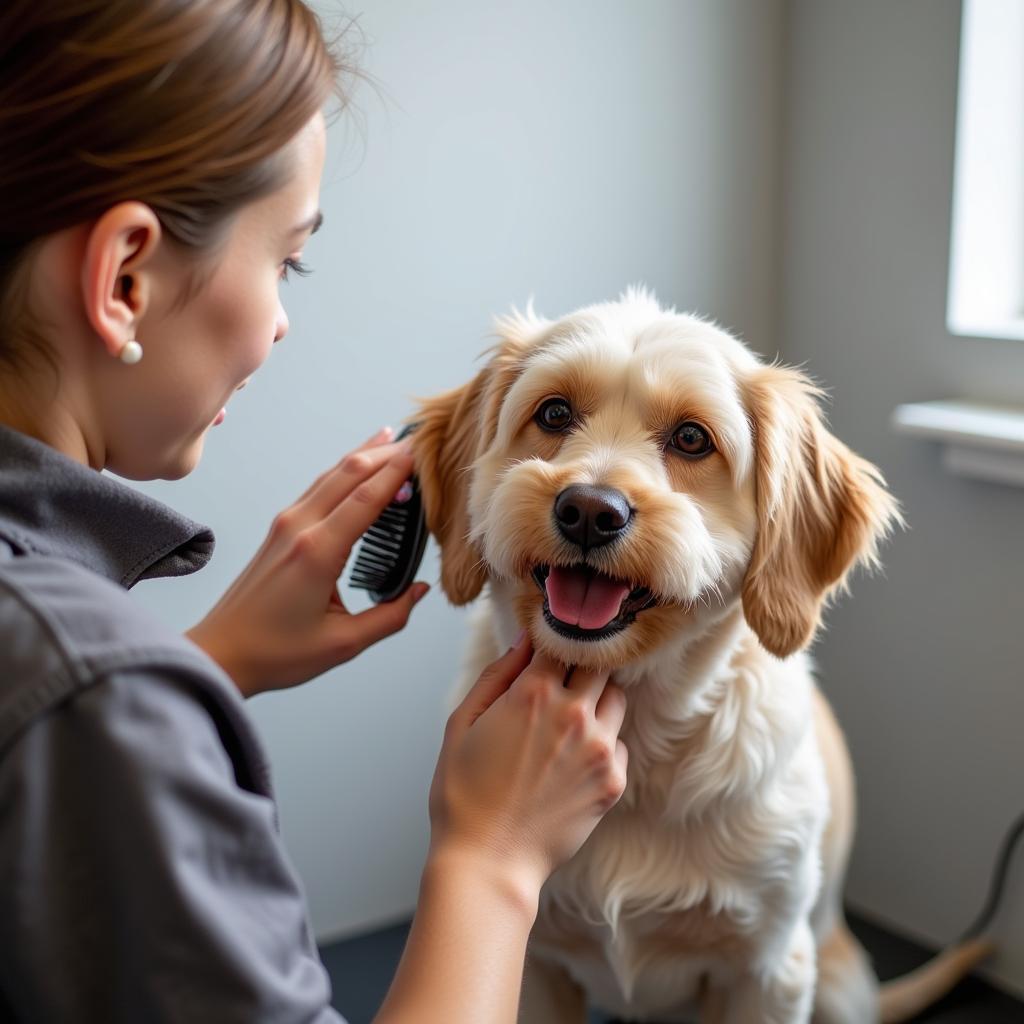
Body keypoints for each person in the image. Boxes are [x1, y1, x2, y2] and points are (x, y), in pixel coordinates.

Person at [0, 2, 629, 1021]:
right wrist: (493, 860)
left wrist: (208, 665)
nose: (283, 320)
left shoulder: (69, 679)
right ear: (123, 277)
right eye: (285, 258)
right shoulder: (87, 693)